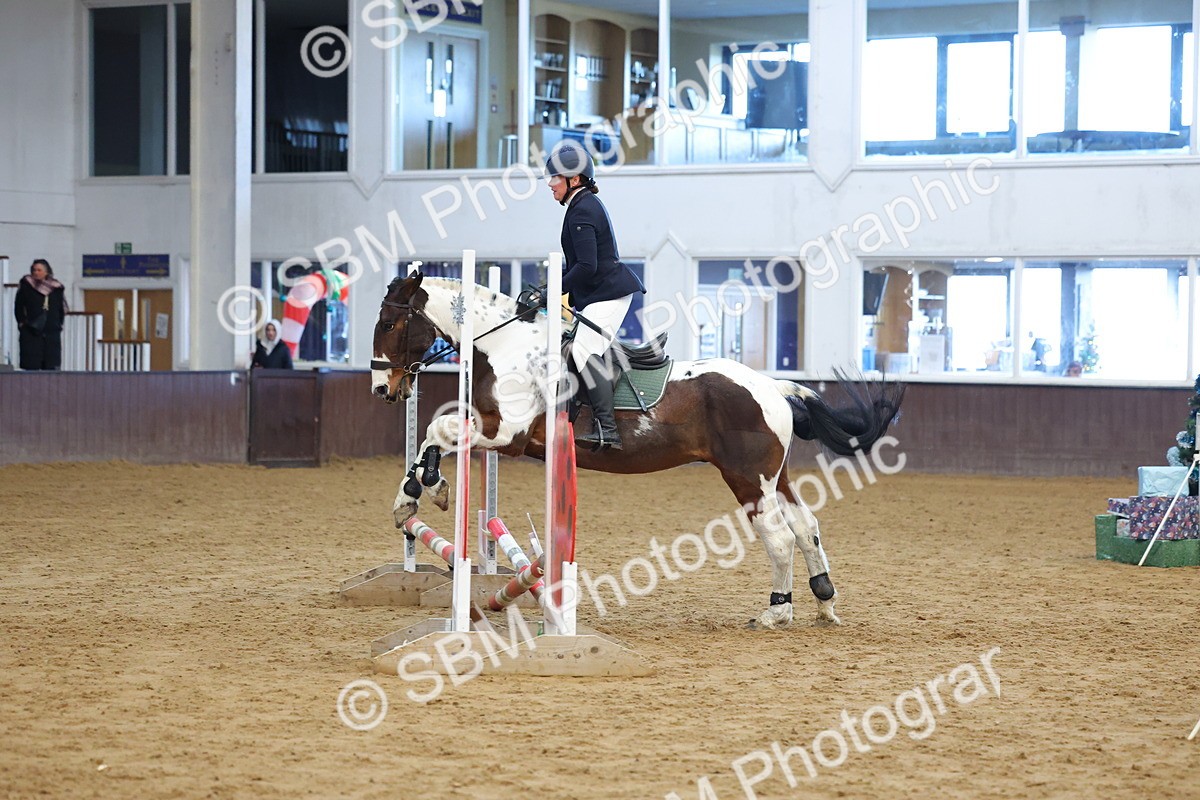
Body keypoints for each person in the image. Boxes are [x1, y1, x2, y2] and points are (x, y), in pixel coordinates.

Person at [545, 139, 646, 450]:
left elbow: (587, 266)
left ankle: (609, 429)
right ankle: (578, 411)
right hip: (600, 293)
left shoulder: (582, 209)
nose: (550, 184)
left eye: (555, 178)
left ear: (574, 179)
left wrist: (554, 289)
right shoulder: (580, 205)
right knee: (572, 348)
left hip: (609, 294)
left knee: (585, 350)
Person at [14, 259, 67, 370]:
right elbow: (19, 306)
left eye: (39, 270)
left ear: (46, 272)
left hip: (51, 330)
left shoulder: (56, 288)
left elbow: (60, 308)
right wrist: (22, 323)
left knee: (50, 363)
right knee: (31, 363)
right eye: (34, 270)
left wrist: (59, 324)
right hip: (31, 329)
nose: (36, 272)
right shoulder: (26, 285)